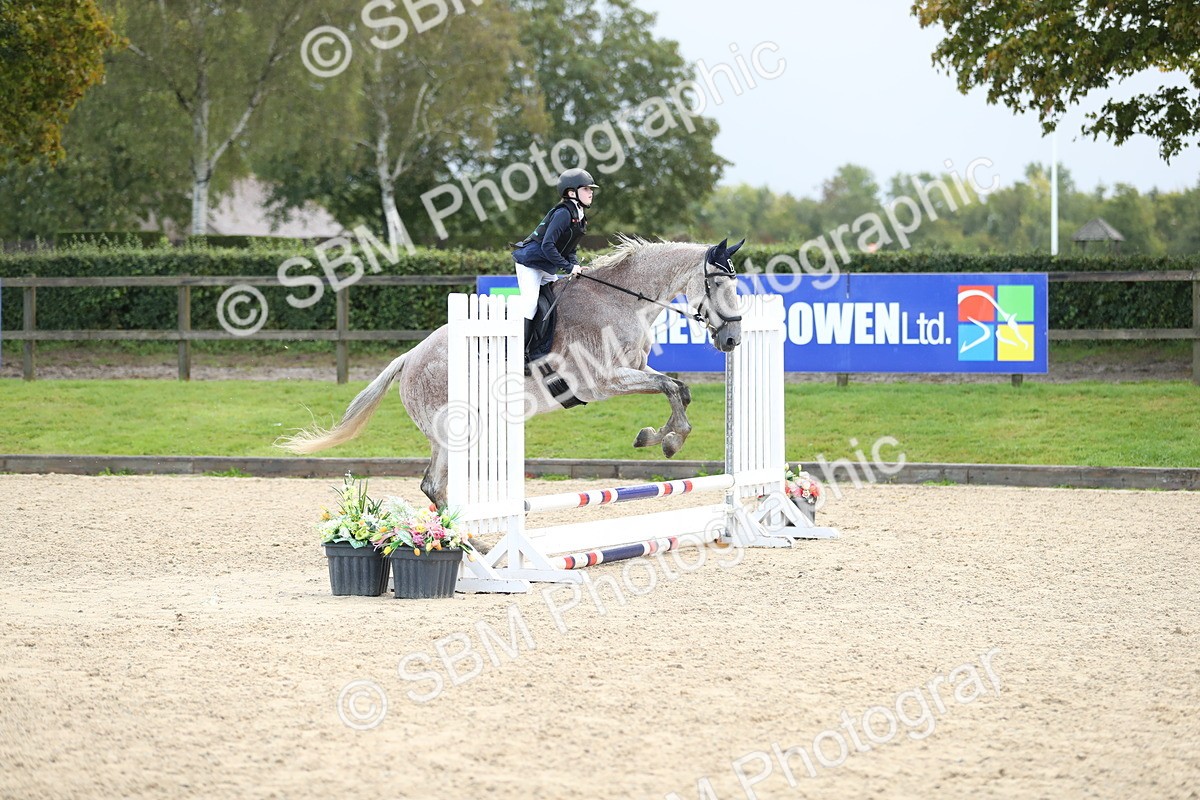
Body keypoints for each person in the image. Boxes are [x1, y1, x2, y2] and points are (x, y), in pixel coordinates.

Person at [511, 168, 598, 365]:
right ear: (571, 192)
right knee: (531, 303)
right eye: (586, 189)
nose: (591, 192)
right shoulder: (563, 213)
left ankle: (541, 348)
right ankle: (518, 354)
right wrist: (568, 268)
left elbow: (570, 249)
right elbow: (547, 245)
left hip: (547, 266)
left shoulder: (580, 215)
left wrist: (575, 266)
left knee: (556, 301)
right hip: (531, 263)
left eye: (590, 189)